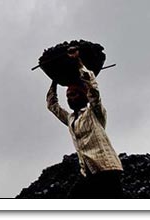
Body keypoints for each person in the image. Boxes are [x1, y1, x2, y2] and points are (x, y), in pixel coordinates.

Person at [46, 45, 124, 198]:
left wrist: (78, 62)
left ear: (83, 96)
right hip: (88, 172)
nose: (70, 98)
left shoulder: (95, 112)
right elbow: (52, 106)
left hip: (106, 168)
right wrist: (54, 80)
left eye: (74, 94)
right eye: (68, 96)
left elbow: (93, 89)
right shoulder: (71, 119)